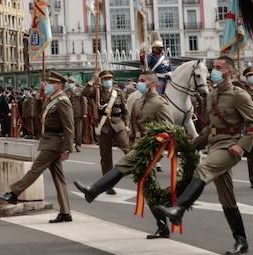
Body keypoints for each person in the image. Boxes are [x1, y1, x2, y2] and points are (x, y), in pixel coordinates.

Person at [152, 54, 253, 255]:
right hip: (215, 145)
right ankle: (241, 240)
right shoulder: (211, 95)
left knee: (204, 168)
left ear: (230, 71)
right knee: (226, 197)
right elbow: (210, 127)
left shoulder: (239, 95)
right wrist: (194, 144)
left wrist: (242, 146)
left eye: (219, 67)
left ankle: (179, 209)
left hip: (230, 146)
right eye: (214, 67)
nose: (215, 71)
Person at [73, 71, 176, 239]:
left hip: (151, 148)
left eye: (142, 81)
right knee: (149, 188)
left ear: (152, 84)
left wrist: (155, 145)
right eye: (139, 80)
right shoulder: (138, 102)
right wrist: (135, 139)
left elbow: (170, 129)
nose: (139, 83)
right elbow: (134, 128)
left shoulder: (160, 104)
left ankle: (94, 190)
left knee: (124, 164)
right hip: (139, 144)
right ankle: (162, 226)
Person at [1, 71, 74, 223]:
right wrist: (42, 93)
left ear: (58, 85)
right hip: (49, 141)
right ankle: (65, 212)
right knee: (59, 178)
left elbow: (69, 126)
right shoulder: (52, 99)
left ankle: (14, 193)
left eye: (50, 83)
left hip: (54, 142)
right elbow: (41, 110)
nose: (47, 85)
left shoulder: (62, 100)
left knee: (36, 169)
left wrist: (67, 148)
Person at [85, 70, 129, 181]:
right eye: (105, 79)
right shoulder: (97, 91)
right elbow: (84, 93)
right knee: (106, 157)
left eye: (109, 78)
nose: (108, 81)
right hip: (103, 126)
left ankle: (137, 170)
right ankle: (107, 182)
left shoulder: (118, 92)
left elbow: (125, 110)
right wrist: (92, 81)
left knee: (128, 150)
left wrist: (127, 125)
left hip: (118, 125)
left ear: (112, 79)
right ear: (101, 80)